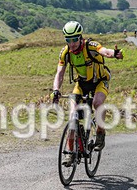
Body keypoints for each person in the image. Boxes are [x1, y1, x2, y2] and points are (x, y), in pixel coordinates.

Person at [52, 21, 123, 165]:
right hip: (82, 84)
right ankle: (70, 153)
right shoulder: (65, 53)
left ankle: (101, 133)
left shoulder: (90, 46)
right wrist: (56, 90)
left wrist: (114, 54)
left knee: (97, 103)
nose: (71, 43)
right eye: (68, 40)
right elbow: (60, 73)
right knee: (73, 118)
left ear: (80, 37)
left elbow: (104, 51)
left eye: (74, 39)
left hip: (100, 81)